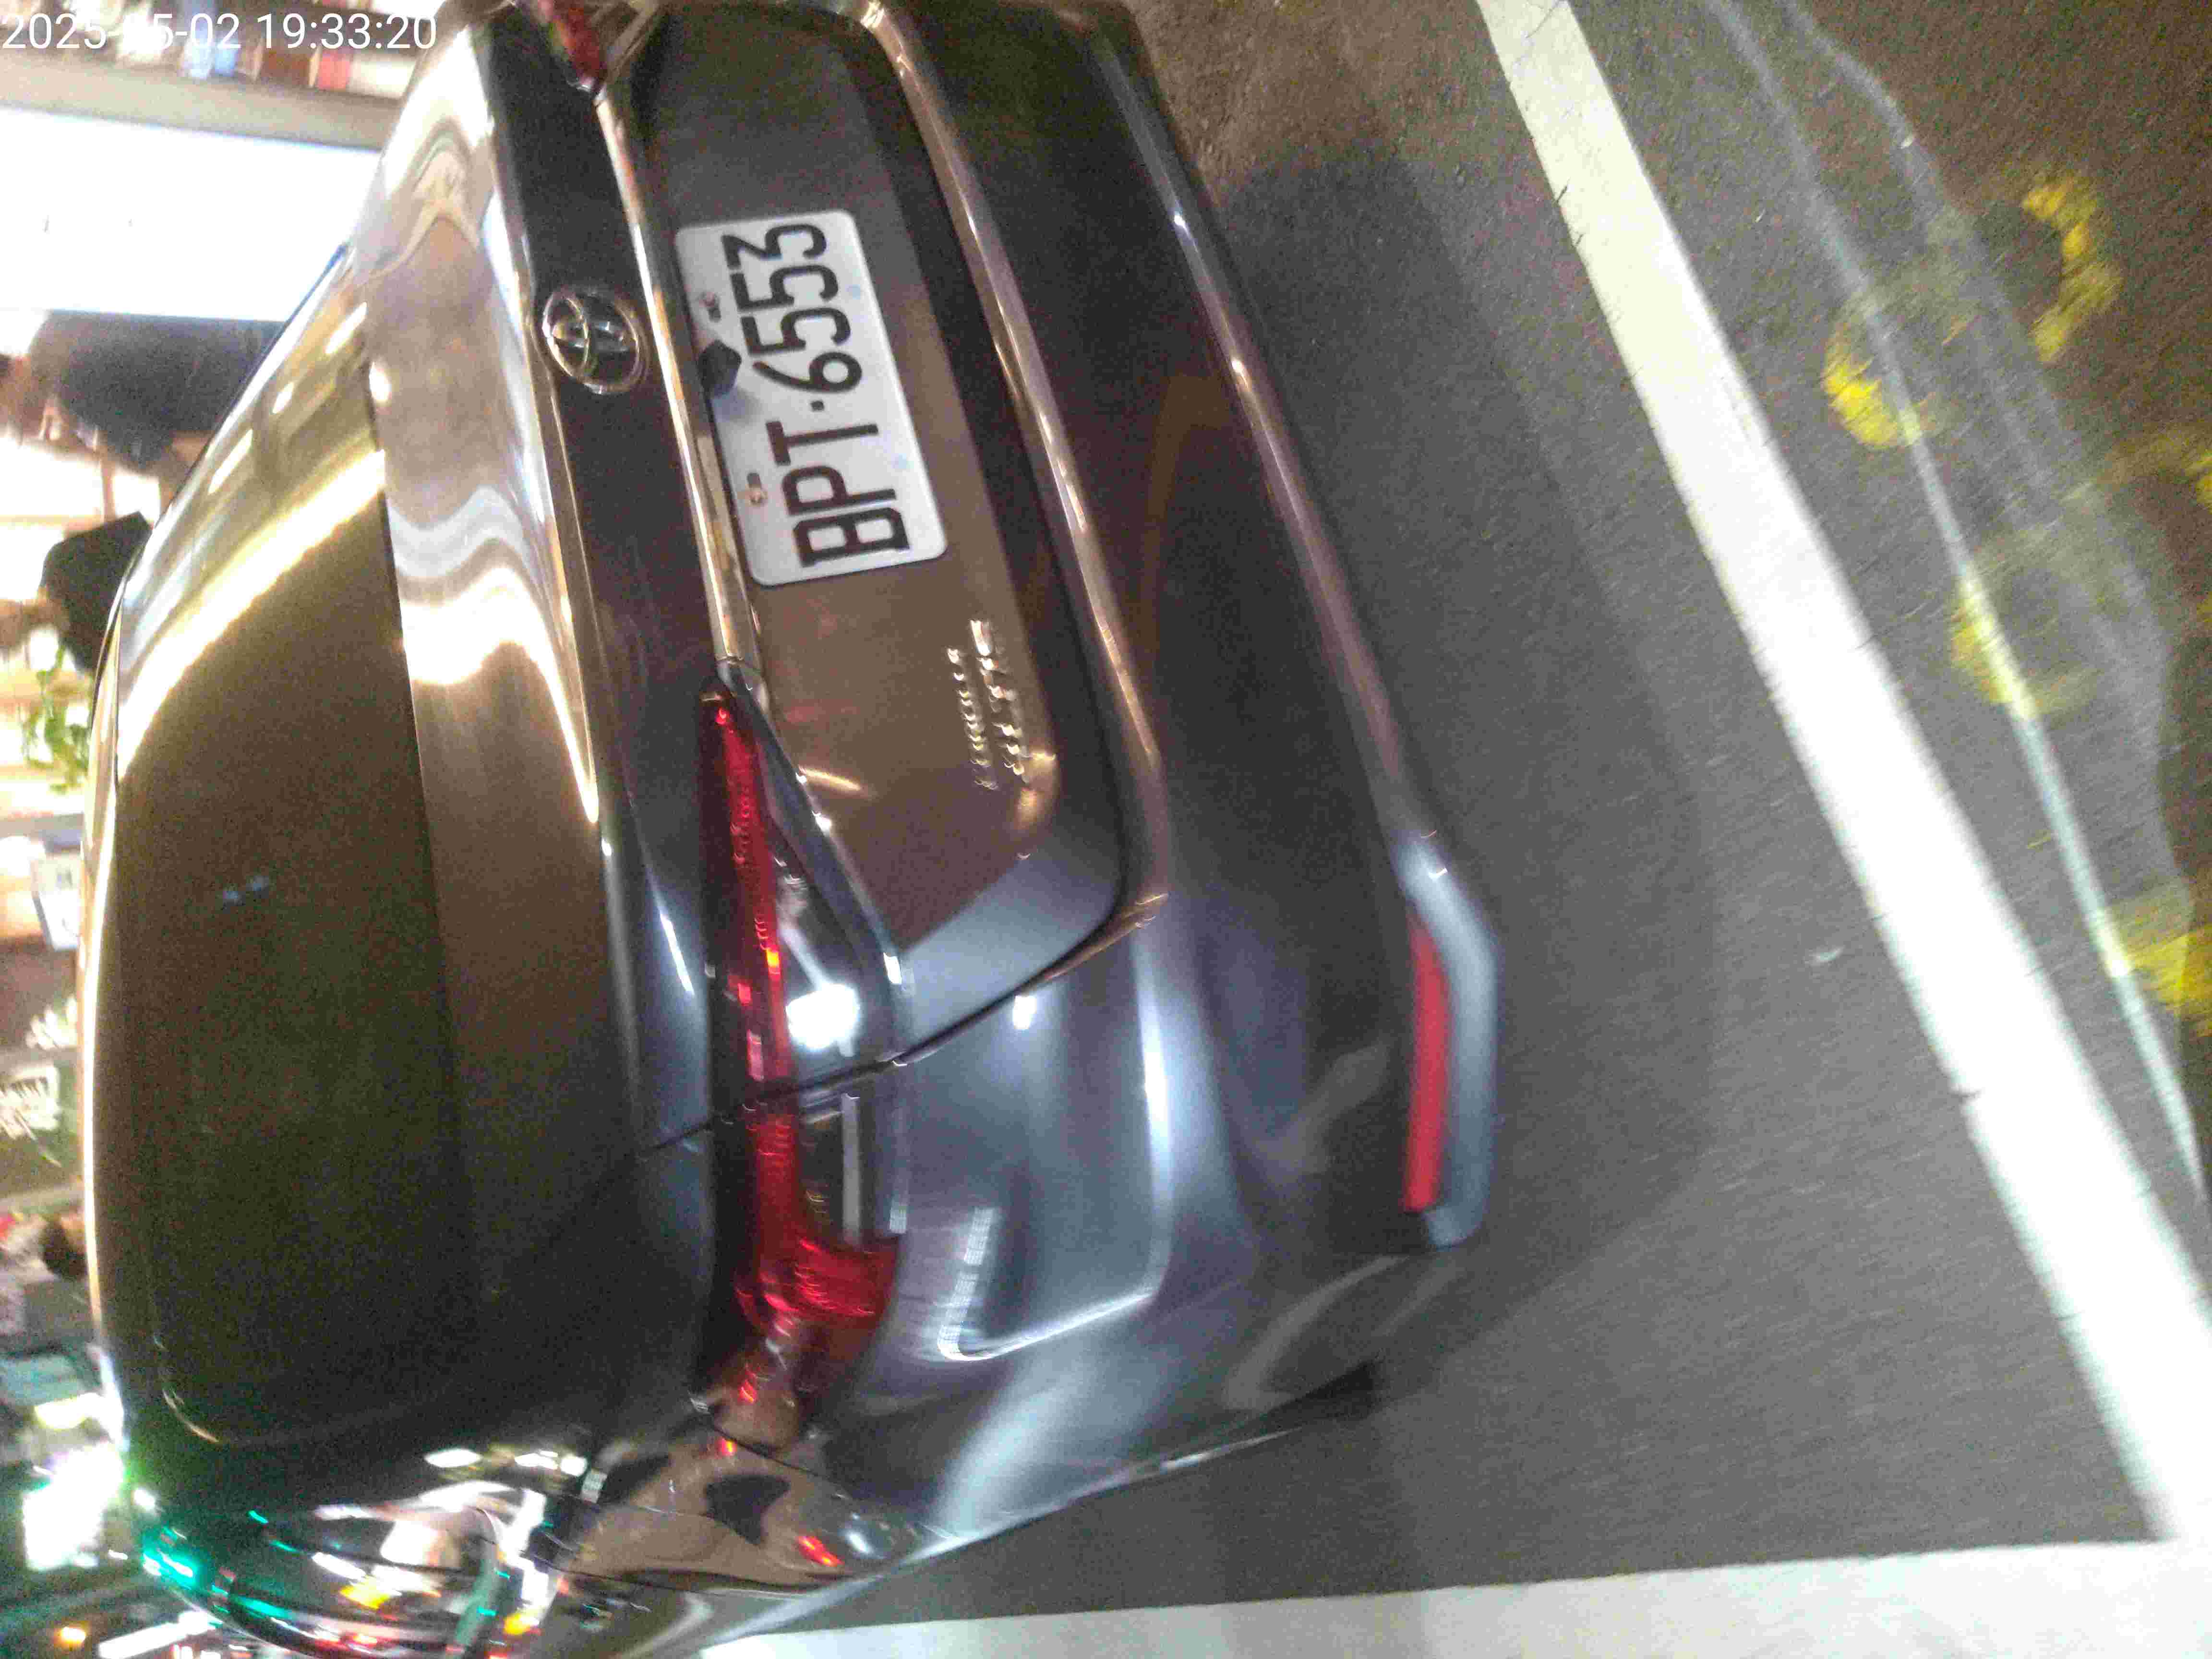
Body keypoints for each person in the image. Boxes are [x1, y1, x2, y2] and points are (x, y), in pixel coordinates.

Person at [0, 312, 276, 490]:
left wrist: (82, 452)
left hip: (251, 379)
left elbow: (174, 467)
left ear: (9, 374)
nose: (12, 424)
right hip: (256, 333)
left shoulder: (68, 384)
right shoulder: (59, 323)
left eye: (4, 417)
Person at [0, 513, 151, 675]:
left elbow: (140, 532)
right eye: (1, 629)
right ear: (10, 647)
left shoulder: (61, 561)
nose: (5, 617)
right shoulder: (86, 655)